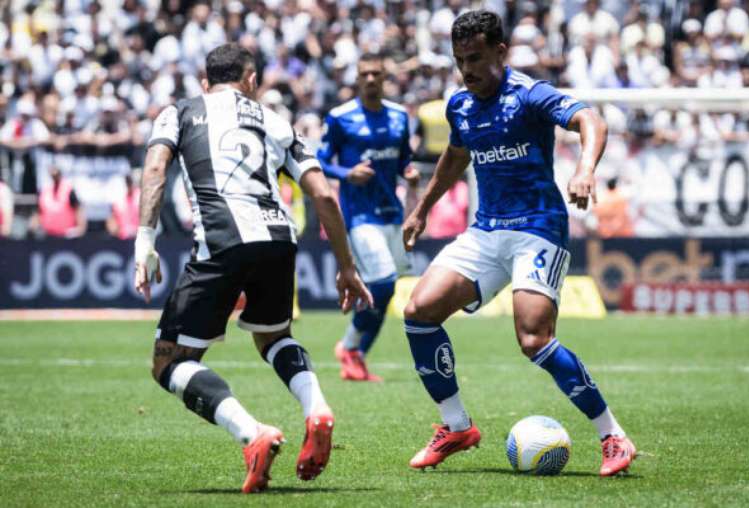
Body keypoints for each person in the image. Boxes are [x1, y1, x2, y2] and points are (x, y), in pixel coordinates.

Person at [400, 11, 636, 477]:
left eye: (476, 58)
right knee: (419, 313)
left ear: (501, 53)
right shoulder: (460, 105)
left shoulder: (529, 94)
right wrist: (422, 208)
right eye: (459, 60)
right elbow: (456, 154)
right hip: (486, 230)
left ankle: (613, 436)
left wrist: (585, 169)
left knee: (533, 338)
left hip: (537, 228)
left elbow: (591, 119)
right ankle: (456, 426)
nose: (467, 70)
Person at [134, 43, 372, 493]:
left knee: (168, 361)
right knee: (274, 337)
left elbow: (154, 169)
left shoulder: (179, 112)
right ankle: (316, 407)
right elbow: (324, 196)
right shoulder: (275, 120)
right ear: (251, 81)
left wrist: (145, 241)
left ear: (206, 83)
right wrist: (346, 267)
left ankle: (252, 433)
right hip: (279, 238)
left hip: (223, 241)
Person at [317, 53, 420, 382]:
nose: (372, 79)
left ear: (385, 76)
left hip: (393, 214)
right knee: (384, 280)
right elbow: (320, 162)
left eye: (377, 73)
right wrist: (347, 173)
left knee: (387, 290)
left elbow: (404, 157)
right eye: (366, 74)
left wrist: (409, 172)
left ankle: (354, 353)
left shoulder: (399, 116)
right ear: (358, 79)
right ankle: (350, 348)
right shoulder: (340, 117)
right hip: (359, 216)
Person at [32, 166, 87, 238]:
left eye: (56, 175)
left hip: (67, 235)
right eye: (53, 175)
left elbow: (78, 209)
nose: (55, 177)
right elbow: (38, 212)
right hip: (47, 235)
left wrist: (81, 228)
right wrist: (34, 226)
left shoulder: (68, 190)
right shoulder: (44, 191)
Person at [106, 170, 141, 240]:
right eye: (127, 182)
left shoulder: (141, 196)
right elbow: (111, 222)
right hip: (122, 239)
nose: (129, 184)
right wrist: (117, 231)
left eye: (130, 182)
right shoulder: (118, 199)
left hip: (140, 238)